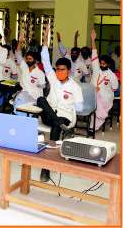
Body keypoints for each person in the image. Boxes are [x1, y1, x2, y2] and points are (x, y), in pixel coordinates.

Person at [37, 24, 83, 182]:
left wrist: (71, 104)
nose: (59, 72)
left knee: (56, 127)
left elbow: (80, 108)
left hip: (65, 116)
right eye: (57, 69)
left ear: (69, 71)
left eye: (62, 70)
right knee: (40, 99)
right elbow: (45, 59)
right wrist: (45, 39)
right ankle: (60, 126)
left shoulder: (75, 87)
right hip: (51, 114)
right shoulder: (53, 78)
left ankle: (46, 169)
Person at [90, 29, 119, 133]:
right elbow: (94, 54)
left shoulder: (112, 75)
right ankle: (92, 126)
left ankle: (94, 127)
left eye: (104, 64)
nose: (101, 65)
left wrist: (102, 91)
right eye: (101, 63)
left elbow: (115, 88)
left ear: (108, 65)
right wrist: (93, 39)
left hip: (105, 98)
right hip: (92, 95)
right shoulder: (96, 68)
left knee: (98, 104)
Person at [13, 31, 46, 115]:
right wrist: (20, 41)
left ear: (35, 60)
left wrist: (36, 85)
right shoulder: (24, 67)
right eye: (27, 59)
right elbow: (18, 53)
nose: (28, 61)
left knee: (21, 101)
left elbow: (43, 86)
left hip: (34, 97)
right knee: (19, 99)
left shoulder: (40, 73)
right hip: (24, 94)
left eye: (30, 59)